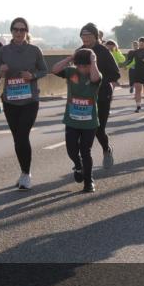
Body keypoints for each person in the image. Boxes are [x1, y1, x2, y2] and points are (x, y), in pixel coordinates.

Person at [0, 17, 48, 190]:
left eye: (22, 30)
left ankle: (26, 174)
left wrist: (32, 76)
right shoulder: (3, 51)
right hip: (10, 100)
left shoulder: (34, 50)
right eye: (16, 30)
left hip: (30, 100)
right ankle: (24, 171)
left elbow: (44, 70)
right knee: (17, 138)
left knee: (23, 135)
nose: (19, 33)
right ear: (11, 31)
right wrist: (0, 72)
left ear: (26, 32)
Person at [52, 48, 102, 193]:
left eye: (84, 66)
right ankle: (78, 165)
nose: (81, 69)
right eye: (79, 65)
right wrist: (70, 58)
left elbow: (94, 78)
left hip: (89, 122)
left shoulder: (95, 75)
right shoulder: (71, 73)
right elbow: (54, 70)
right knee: (72, 150)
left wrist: (93, 61)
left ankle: (89, 181)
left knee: (85, 151)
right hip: (72, 120)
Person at [78, 24, 121, 168]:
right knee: (81, 128)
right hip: (84, 97)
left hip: (102, 95)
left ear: (96, 36)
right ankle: (83, 158)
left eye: (89, 35)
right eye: (83, 36)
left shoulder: (103, 51)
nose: (86, 38)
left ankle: (106, 149)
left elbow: (116, 74)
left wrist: (98, 81)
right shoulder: (79, 52)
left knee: (98, 128)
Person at [126, 37, 144, 112]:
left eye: (142, 43)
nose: (141, 44)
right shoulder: (135, 52)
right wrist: (123, 64)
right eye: (140, 43)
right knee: (138, 90)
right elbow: (129, 61)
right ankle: (138, 106)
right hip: (137, 73)